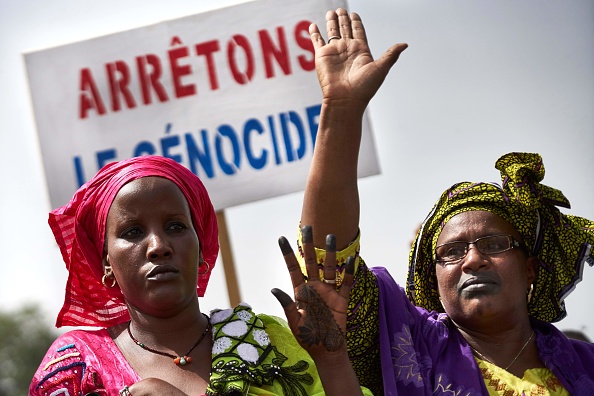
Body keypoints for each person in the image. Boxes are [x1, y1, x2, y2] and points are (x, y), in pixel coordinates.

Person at [293, 8, 594, 395]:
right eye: (450, 252)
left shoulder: (585, 365)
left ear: (531, 268)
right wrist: (342, 110)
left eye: (493, 244)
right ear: (432, 279)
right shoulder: (408, 346)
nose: (472, 259)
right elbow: (326, 261)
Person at [29, 155, 370, 395]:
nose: (159, 246)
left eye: (176, 226)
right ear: (106, 265)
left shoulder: (269, 341)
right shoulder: (75, 371)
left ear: (202, 247)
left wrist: (333, 362)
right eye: (133, 232)